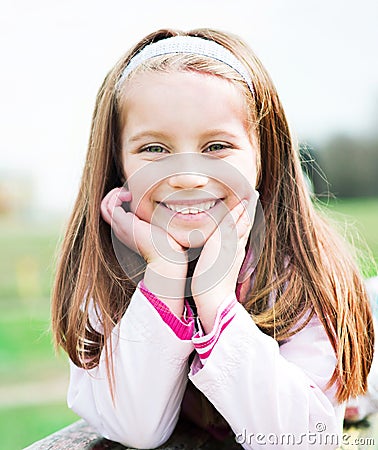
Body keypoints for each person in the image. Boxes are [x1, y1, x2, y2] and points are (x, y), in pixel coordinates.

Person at [51, 28, 374, 449]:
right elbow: (135, 428)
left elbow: (301, 439)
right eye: (154, 149)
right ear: (118, 163)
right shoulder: (106, 271)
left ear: (264, 155)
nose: (186, 176)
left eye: (217, 145)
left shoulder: (306, 272)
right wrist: (165, 273)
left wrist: (215, 300)